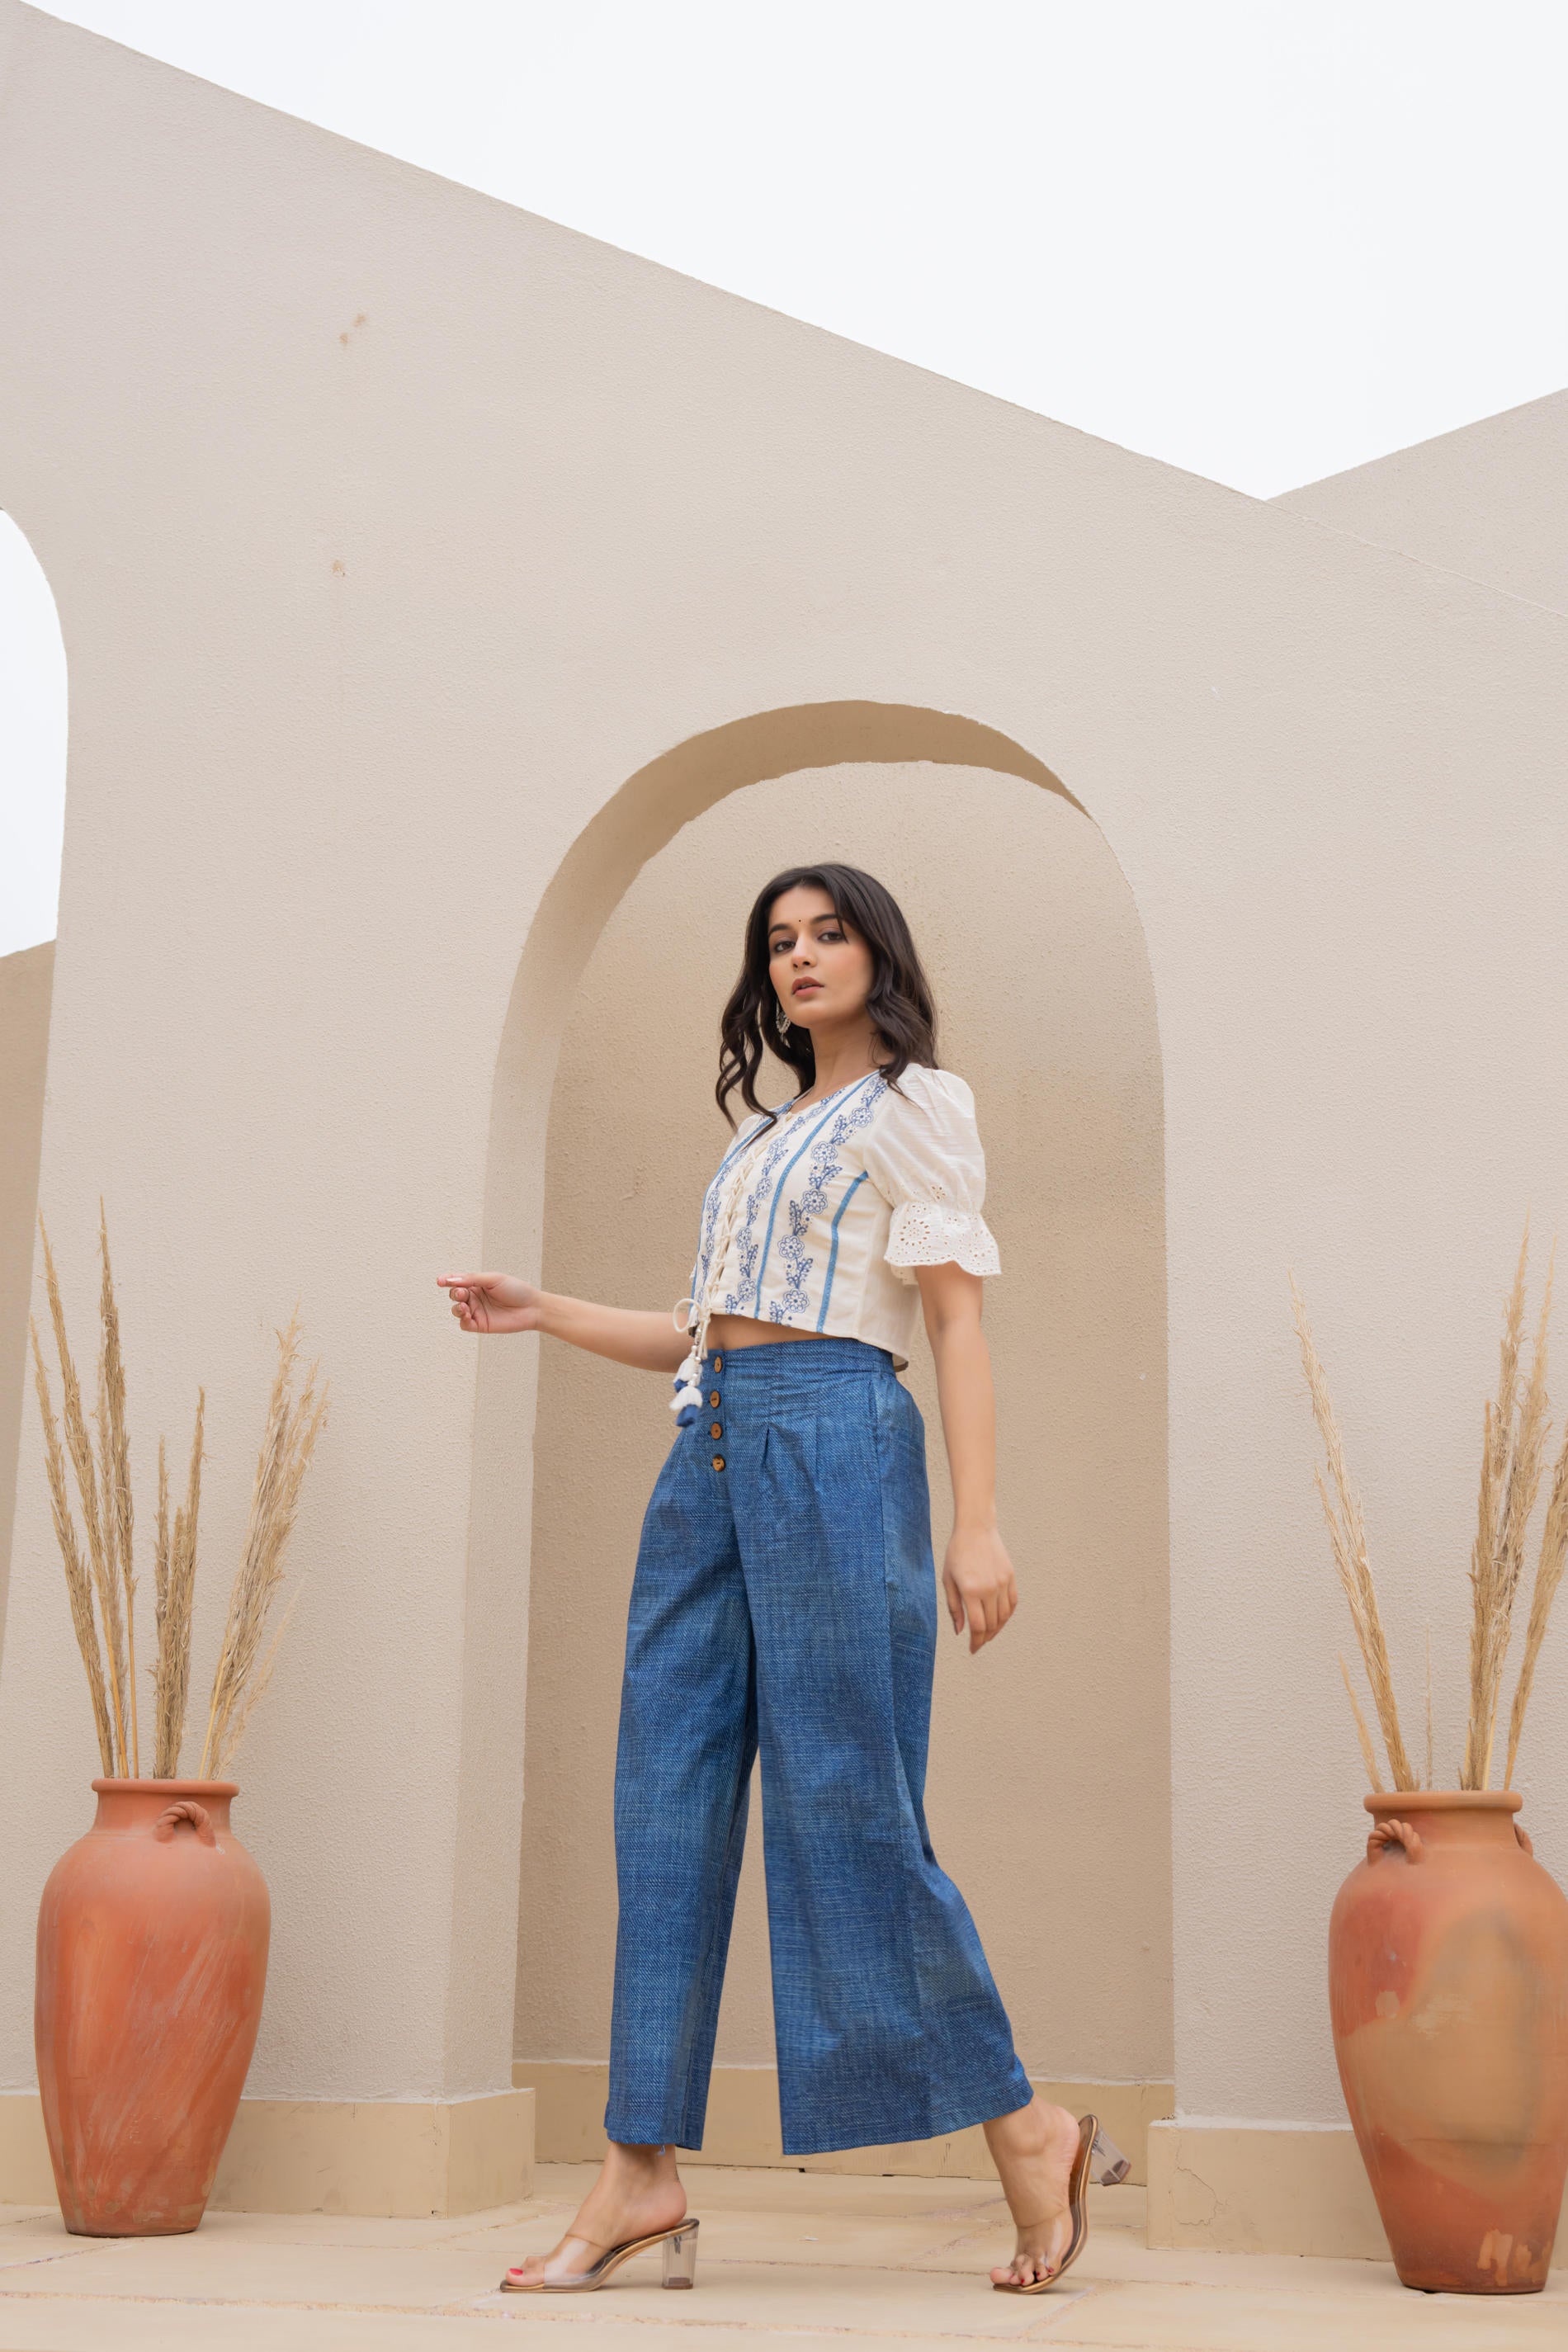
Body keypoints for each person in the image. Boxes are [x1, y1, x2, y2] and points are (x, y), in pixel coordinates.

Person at [439, 863, 1122, 2298]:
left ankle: (1028, 2130)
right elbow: (705, 1331)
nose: (802, 956)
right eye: (779, 941)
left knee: (845, 1804)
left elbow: (955, 1325)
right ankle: (639, 2173)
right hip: (714, 1448)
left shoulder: (918, 1109)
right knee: (663, 1799)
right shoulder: (761, 1136)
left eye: (828, 932)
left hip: (840, 1441)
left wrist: (978, 1521)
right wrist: (541, 1306)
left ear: (880, 948)